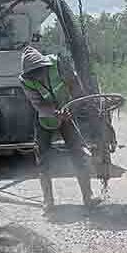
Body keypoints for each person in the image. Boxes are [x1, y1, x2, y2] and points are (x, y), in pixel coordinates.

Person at [19, 45, 100, 213]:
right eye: (32, 74)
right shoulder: (26, 81)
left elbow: (76, 87)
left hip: (68, 113)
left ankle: (88, 197)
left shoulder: (59, 65)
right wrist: (54, 113)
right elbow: (38, 103)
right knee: (43, 160)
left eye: (39, 71)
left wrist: (73, 108)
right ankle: (48, 202)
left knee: (77, 153)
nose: (37, 76)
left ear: (44, 66)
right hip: (45, 118)